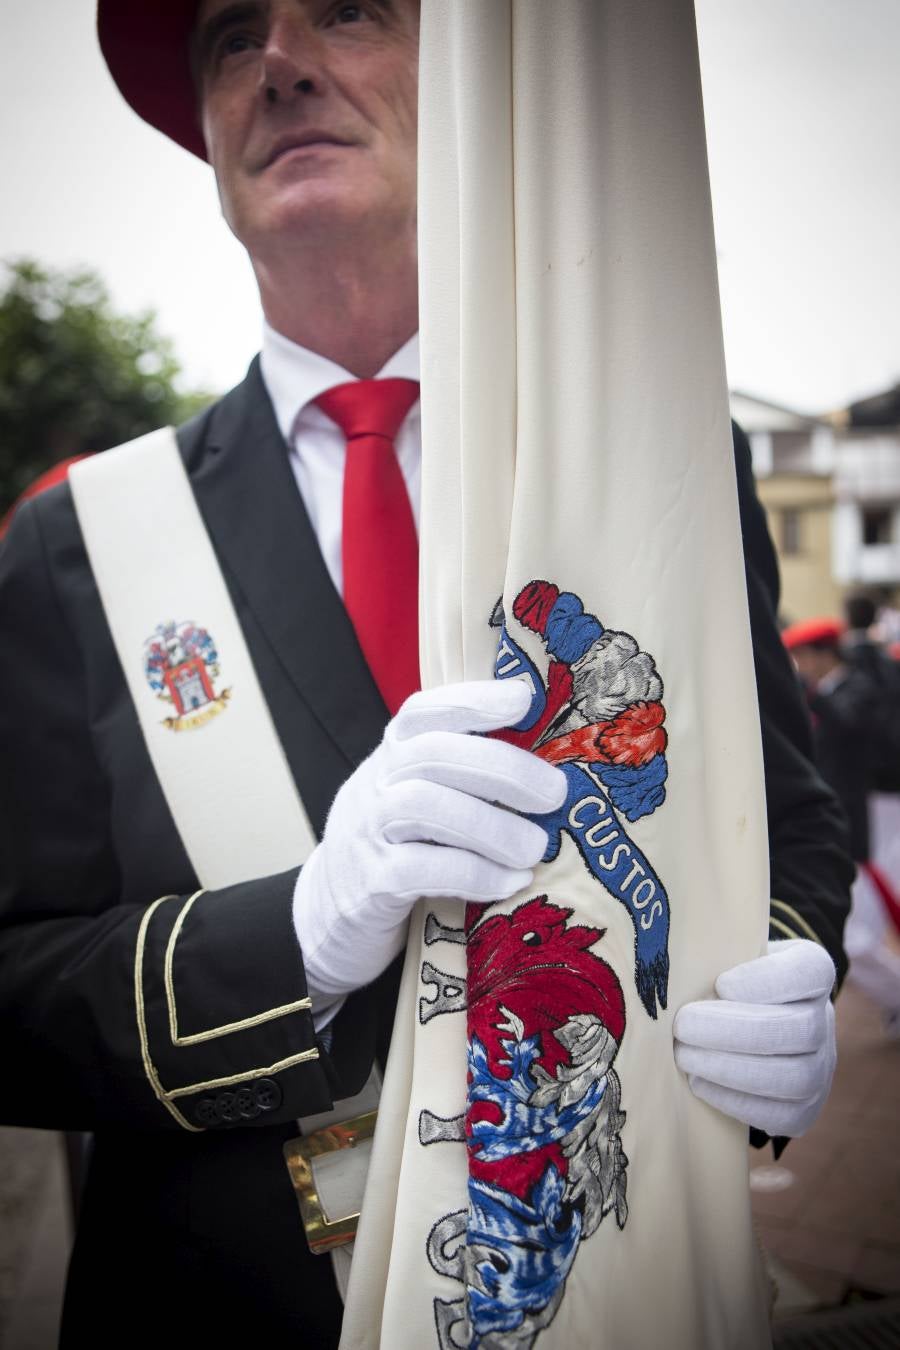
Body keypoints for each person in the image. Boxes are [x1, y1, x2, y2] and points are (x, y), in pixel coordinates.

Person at [0, 3, 851, 1345]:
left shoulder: (654, 466)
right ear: (212, 128)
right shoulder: (77, 539)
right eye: (230, 35)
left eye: (344, 8)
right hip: (224, 1302)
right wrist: (290, 939)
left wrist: (786, 965)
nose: (279, 62)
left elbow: (787, 813)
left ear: (466, 79)